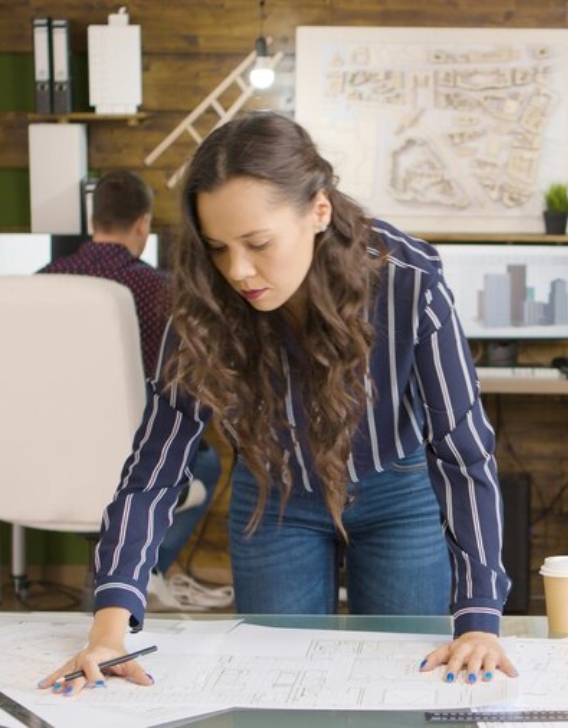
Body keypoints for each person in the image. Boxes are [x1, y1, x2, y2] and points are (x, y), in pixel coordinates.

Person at [41, 111, 516, 694]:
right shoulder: (202, 301)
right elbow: (154, 471)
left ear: (319, 210)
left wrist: (479, 619)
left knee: (404, 690)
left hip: (398, 493)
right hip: (275, 495)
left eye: (259, 243)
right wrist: (109, 632)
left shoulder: (406, 280)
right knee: (278, 689)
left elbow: (462, 451)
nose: (238, 271)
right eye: (218, 247)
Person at [37, 171, 222, 588]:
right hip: (126, 453)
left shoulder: (41, 281)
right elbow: (171, 384)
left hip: (47, 451)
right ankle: (146, 572)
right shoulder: (159, 290)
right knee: (206, 463)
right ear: (143, 223)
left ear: (92, 221)